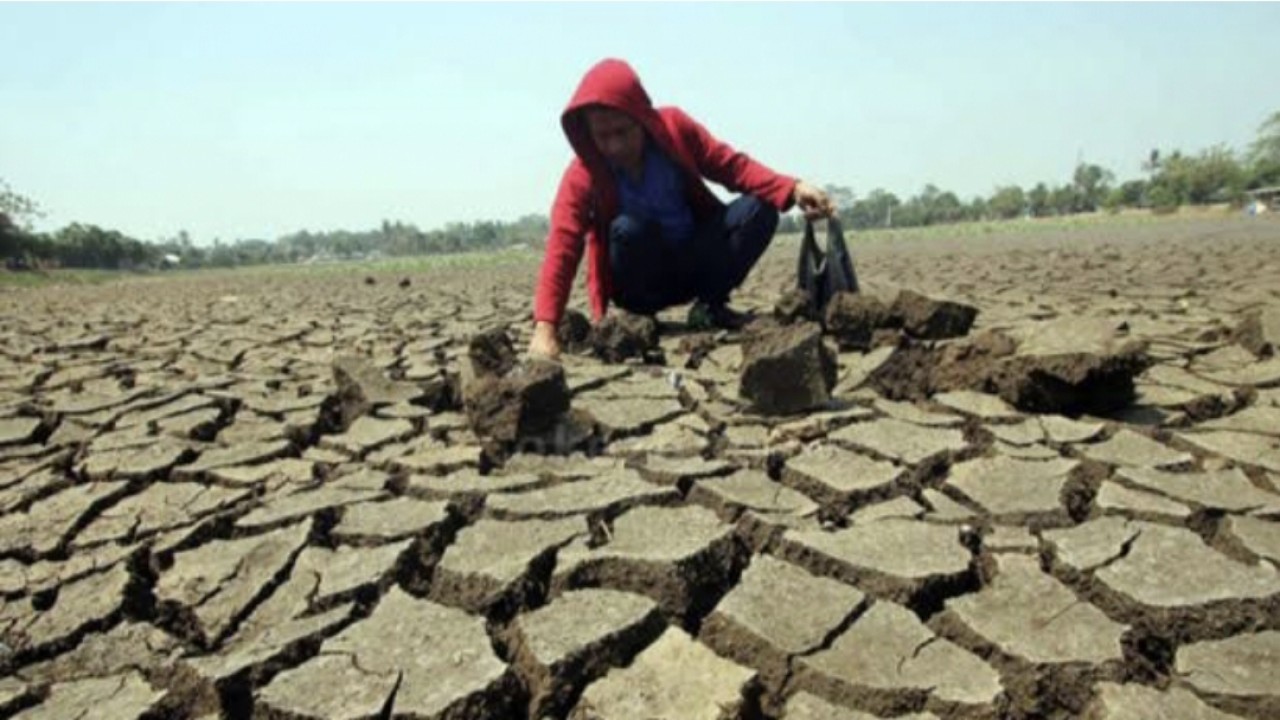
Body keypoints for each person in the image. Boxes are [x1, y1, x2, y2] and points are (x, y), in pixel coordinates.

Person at [528, 58, 835, 359]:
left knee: (761, 207)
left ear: (642, 119)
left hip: (693, 260)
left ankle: (708, 306)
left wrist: (792, 188)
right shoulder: (584, 173)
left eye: (622, 132)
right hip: (640, 282)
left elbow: (730, 166)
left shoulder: (673, 129)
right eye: (603, 136)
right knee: (628, 229)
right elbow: (562, 246)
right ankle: (641, 319)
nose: (614, 146)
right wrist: (545, 331)